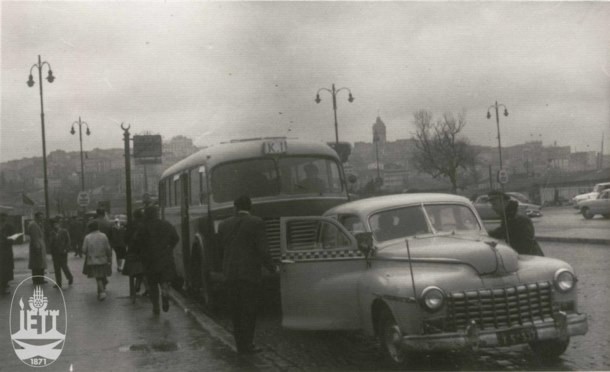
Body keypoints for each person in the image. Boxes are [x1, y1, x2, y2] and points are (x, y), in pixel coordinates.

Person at [218, 195, 277, 354]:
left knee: (235, 310)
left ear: (235, 207)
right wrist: (272, 268)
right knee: (249, 310)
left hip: (230, 273)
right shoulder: (257, 223)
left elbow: (220, 248)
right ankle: (248, 344)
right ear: (250, 207)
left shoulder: (224, 224)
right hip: (249, 274)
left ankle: (240, 345)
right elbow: (263, 250)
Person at [140, 205, 179, 315]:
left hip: (150, 259)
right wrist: (169, 247)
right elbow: (176, 238)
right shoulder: (166, 224)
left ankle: (156, 306)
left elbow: (138, 243)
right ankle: (165, 292)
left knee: (152, 284)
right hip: (165, 257)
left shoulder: (144, 227)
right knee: (164, 279)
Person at [487, 190, 544, 256]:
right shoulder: (509, 217)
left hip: (531, 259)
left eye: (494, 204)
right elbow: (502, 232)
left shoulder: (517, 219)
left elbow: (524, 246)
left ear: (504, 202)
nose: (492, 208)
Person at [82, 221, 113, 301]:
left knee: (97, 277)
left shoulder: (87, 237)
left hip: (92, 260)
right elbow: (108, 248)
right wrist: (109, 256)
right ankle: (100, 290)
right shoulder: (104, 236)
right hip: (103, 259)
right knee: (101, 275)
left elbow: (84, 250)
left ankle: (102, 292)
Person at [49, 218, 74, 288]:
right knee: (56, 268)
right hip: (55, 253)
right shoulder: (52, 233)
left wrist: (66, 249)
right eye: (54, 224)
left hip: (63, 252)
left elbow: (68, 241)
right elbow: (50, 243)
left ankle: (70, 277)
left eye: (56, 224)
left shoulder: (64, 231)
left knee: (64, 266)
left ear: (59, 224)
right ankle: (58, 283)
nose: (55, 226)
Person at [28, 212, 48, 285]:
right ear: (36, 217)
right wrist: (37, 247)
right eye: (40, 217)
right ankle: (38, 279)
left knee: (39, 264)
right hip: (37, 247)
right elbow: (35, 237)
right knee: (37, 264)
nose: (42, 219)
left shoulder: (38, 224)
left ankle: (40, 278)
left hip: (40, 245)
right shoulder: (34, 225)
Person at [0, 213, 16, 294]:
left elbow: (13, 237)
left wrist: (7, 241)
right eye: (2, 217)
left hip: (6, 250)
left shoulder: (9, 226)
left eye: (4, 217)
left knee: (6, 268)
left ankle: (4, 284)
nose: (3, 218)